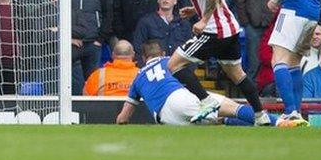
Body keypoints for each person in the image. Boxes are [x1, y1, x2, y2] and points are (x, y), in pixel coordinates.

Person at [168, 0, 271, 125]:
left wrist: (203, 20)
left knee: (174, 65)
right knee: (237, 74)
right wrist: (195, 9)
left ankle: (207, 101)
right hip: (231, 27)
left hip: (214, 31)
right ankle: (260, 115)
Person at [115, 40, 284, 126]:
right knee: (231, 108)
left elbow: (123, 118)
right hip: (177, 99)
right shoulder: (170, 60)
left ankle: (261, 125)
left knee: (219, 120)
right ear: (163, 52)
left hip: (166, 119)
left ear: (143, 59)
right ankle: (281, 123)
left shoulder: (137, 78)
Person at [132, 0, 191, 66]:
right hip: (153, 70)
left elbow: (191, 51)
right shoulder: (145, 22)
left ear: (175, 1)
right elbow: (138, 49)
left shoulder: (184, 24)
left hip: (179, 71)